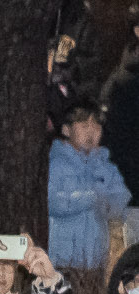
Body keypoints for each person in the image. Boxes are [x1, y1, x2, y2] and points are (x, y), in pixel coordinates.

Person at [49, 99, 129, 273]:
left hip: (96, 259)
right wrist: (91, 197)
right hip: (64, 259)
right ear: (66, 130)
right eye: (84, 125)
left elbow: (121, 197)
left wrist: (111, 205)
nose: (91, 131)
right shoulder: (57, 164)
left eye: (96, 126)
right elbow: (54, 201)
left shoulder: (104, 165)